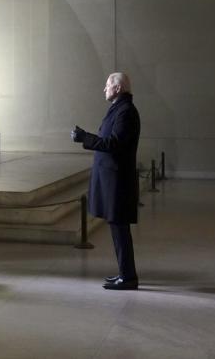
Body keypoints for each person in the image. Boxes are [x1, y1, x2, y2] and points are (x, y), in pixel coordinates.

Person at [72, 72, 140, 290]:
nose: (104, 89)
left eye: (107, 85)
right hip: (113, 179)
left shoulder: (126, 111)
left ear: (118, 88)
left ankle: (128, 277)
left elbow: (114, 144)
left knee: (120, 229)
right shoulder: (120, 109)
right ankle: (125, 273)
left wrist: (85, 138)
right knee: (117, 229)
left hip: (118, 181)